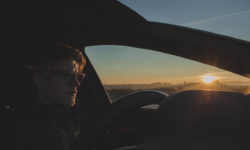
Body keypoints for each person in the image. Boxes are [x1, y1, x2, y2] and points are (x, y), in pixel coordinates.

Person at [16, 42, 92, 150]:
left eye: (77, 76)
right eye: (68, 75)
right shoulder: (21, 131)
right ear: (40, 80)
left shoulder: (79, 116)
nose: (76, 83)